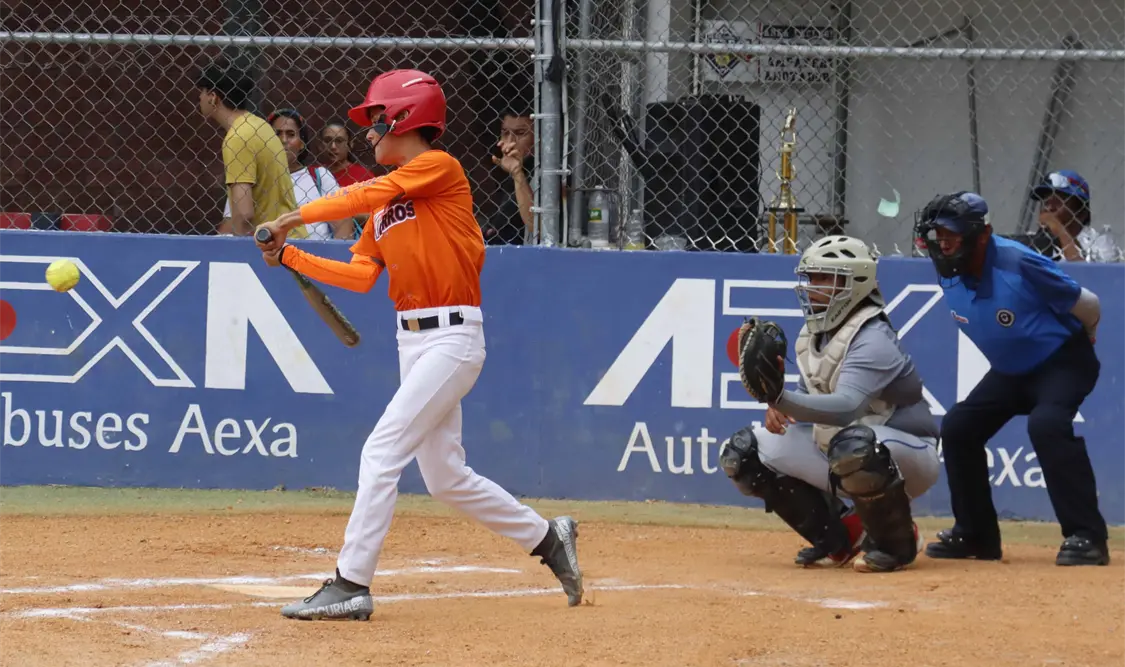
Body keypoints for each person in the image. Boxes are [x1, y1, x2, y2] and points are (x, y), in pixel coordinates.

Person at [253, 69, 583, 620]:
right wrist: (289, 254)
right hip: (412, 341)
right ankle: (548, 537)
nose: (368, 134)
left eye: (376, 121)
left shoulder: (438, 167)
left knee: (381, 451)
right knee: (446, 478)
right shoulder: (386, 208)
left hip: (453, 337)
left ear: (404, 119)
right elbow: (361, 274)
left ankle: (350, 583)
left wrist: (292, 218)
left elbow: (366, 192)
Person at [719, 235, 941, 573]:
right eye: (811, 278)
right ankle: (842, 538)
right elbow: (812, 402)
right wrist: (778, 407)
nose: (812, 288)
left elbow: (847, 408)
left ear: (855, 283)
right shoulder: (812, 336)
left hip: (908, 454)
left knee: (854, 445)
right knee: (743, 453)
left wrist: (782, 399)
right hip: (847, 448)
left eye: (824, 278)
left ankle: (896, 543)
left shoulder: (873, 338)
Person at [914, 191, 1108, 566]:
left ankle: (1087, 536)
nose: (944, 244)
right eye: (939, 235)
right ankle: (977, 536)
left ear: (982, 235)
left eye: (953, 234)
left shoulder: (1018, 262)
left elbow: (1089, 303)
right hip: (1010, 370)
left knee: (1047, 424)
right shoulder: (949, 269)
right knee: (959, 427)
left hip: (1062, 360)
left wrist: (1089, 333)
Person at [195, 60, 301, 237]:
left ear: (213, 97)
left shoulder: (237, 137)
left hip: (274, 242)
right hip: (291, 235)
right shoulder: (260, 125)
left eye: (202, 92)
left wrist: (240, 249)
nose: (200, 98)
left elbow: (243, 215)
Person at [1030, 170, 1118, 263]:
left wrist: (1059, 229)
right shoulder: (1033, 241)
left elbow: (1083, 271)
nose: (1048, 208)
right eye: (1045, 202)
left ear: (1082, 212)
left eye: (1057, 201)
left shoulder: (1100, 244)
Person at [483, 106, 535, 245]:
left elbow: (537, 227)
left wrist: (517, 174)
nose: (511, 141)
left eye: (520, 133)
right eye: (505, 133)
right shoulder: (500, 166)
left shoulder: (546, 173)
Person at [319, 119, 376, 187]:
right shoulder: (313, 173)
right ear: (320, 145)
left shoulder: (364, 175)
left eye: (339, 141)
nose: (333, 146)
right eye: (327, 140)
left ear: (350, 144)